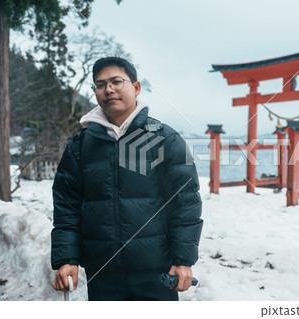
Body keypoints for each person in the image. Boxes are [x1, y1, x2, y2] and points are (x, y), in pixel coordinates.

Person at [50, 56, 203, 301]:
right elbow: (67, 207)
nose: (108, 89)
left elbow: (185, 204)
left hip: (156, 272)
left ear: (136, 87)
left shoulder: (165, 139)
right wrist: (67, 259)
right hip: (102, 273)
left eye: (116, 81)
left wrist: (182, 259)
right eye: (100, 85)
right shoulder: (81, 145)